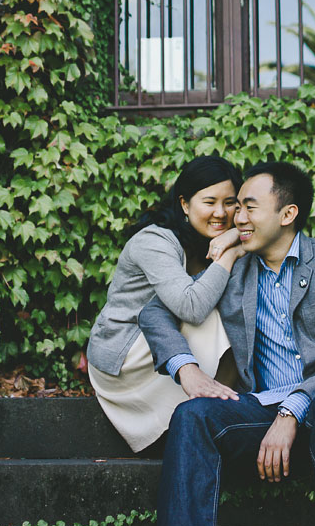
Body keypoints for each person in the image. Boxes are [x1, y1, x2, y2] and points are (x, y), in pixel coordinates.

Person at [139, 162, 315, 526]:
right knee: (192, 415)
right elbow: (154, 313)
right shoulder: (233, 270)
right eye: (237, 207)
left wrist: (293, 409)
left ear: (288, 213)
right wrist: (186, 369)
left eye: (248, 207)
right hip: (261, 413)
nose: (236, 217)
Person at [85, 155, 246, 453]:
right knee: (214, 314)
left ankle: (218, 409)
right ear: (184, 204)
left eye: (231, 203)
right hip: (126, 355)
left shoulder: (216, 238)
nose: (221, 213)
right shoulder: (154, 241)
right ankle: (209, 410)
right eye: (209, 202)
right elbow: (192, 307)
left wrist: (236, 233)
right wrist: (230, 253)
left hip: (168, 342)